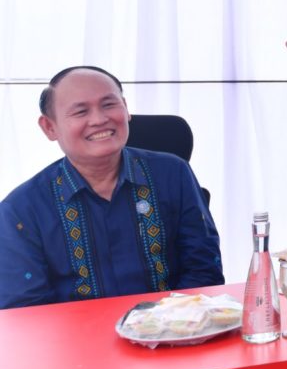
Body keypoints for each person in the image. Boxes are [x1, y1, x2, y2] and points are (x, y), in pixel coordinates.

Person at [0, 66, 223, 309]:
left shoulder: (173, 173)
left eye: (108, 104)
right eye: (81, 111)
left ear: (125, 109)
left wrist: (165, 324)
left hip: (174, 326)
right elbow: (25, 308)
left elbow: (204, 270)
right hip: (74, 333)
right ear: (49, 127)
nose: (99, 119)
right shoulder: (21, 210)